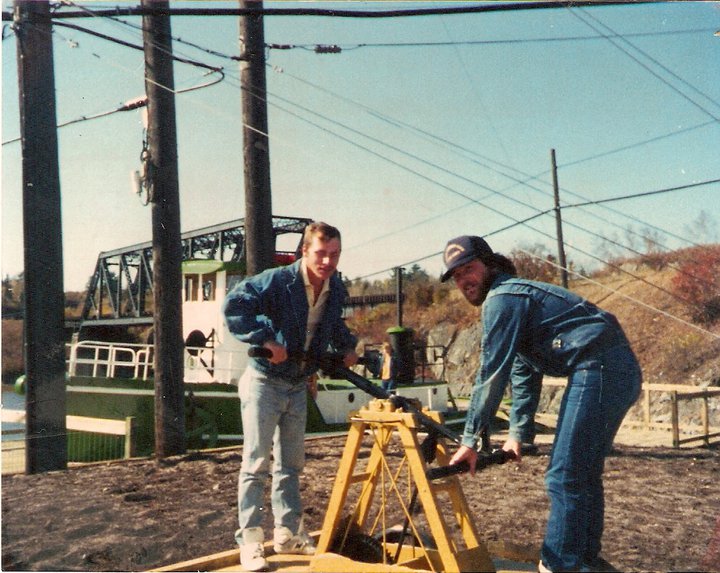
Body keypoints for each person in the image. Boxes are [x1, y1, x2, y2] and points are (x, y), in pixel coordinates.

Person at [441, 235, 641, 573]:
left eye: (469, 269)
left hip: (600, 365)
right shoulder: (516, 298)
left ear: (489, 264)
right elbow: (522, 373)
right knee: (582, 473)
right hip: (618, 368)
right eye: (457, 275)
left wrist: (470, 440)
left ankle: (559, 564)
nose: (464, 280)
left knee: (563, 475)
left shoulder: (502, 299)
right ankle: (584, 560)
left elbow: (492, 373)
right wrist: (518, 432)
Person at [223, 221, 358, 572]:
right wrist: (266, 340)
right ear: (304, 252)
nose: (328, 261)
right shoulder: (278, 280)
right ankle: (250, 542)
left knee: (291, 466)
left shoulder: (334, 287)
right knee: (255, 464)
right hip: (265, 382)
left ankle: (286, 533)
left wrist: (347, 347)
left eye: (334, 255)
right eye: (321, 254)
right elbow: (236, 305)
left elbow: (333, 325)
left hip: (299, 383)